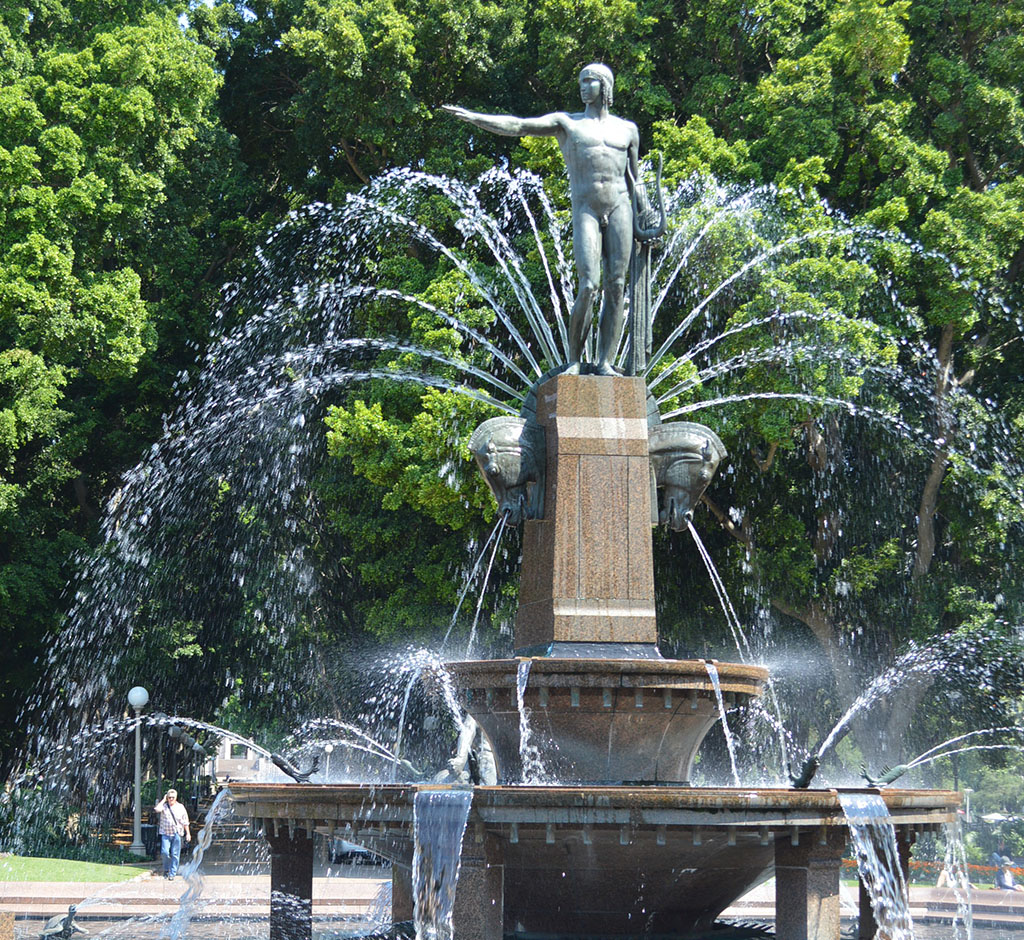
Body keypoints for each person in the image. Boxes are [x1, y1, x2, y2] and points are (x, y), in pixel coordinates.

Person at [443, 64, 640, 374]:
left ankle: (605, 363)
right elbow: (520, 126)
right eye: (581, 81)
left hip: (621, 208)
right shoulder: (567, 123)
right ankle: (574, 361)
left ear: (605, 86)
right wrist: (476, 118)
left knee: (616, 286)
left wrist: (646, 215)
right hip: (586, 209)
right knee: (589, 285)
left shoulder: (627, 130)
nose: (583, 86)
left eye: (590, 81)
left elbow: (634, 180)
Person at [154, 788, 190, 880]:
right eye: (169, 797)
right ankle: (166, 869)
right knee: (165, 852)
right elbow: (157, 809)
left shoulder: (180, 807)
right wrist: (163, 800)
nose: (170, 799)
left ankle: (172, 873)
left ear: (176, 798)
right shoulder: (164, 806)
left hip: (177, 834)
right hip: (165, 833)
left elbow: (185, 821)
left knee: (175, 854)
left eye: (172, 797)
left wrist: (188, 834)